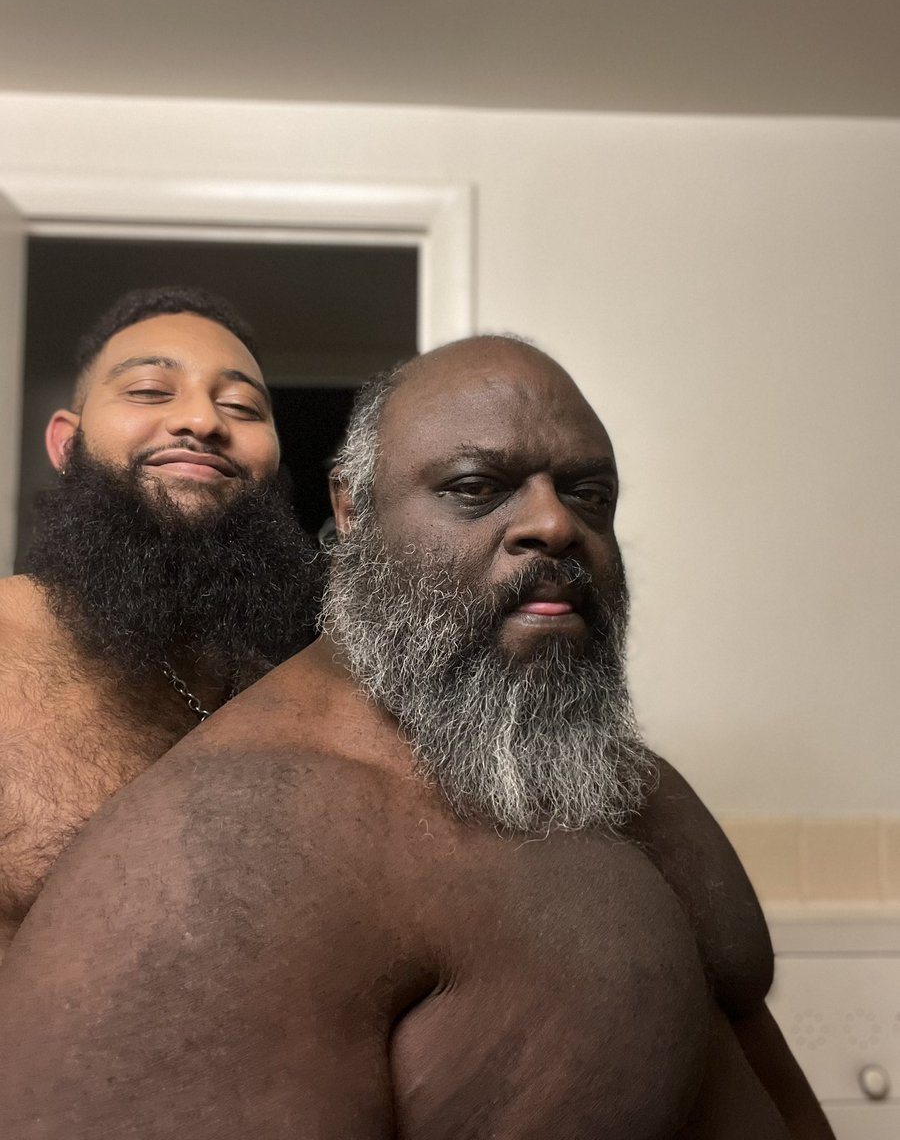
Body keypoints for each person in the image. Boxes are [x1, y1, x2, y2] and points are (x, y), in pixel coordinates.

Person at [0, 335, 833, 1138]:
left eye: (589, 494)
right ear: (351, 509)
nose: (554, 524)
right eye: (476, 486)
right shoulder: (233, 842)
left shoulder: (613, 773)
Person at [0, 286, 319, 960]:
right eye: (149, 391)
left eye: (242, 407)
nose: (202, 420)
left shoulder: (305, 692)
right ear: (67, 443)